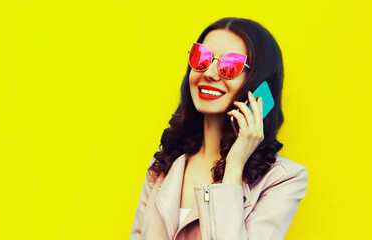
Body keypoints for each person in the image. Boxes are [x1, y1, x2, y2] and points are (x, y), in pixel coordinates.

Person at [130, 17, 308, 240]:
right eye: (201, 58)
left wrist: (234, 167)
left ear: (259, 84)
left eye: (230, 65)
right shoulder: (163, 166)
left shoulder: (284, 179)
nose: (210, 73)